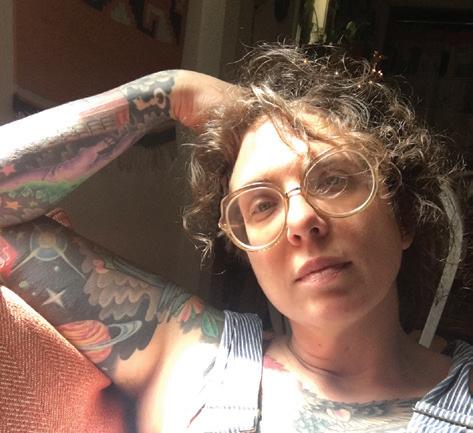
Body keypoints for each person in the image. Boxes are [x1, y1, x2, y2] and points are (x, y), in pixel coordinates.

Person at [0, 44, 471, 433]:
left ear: (403, 218)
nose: (301, 220)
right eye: (262, 204)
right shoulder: (187, 357)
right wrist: (173, 92)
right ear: (246, 247)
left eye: (332, 180)